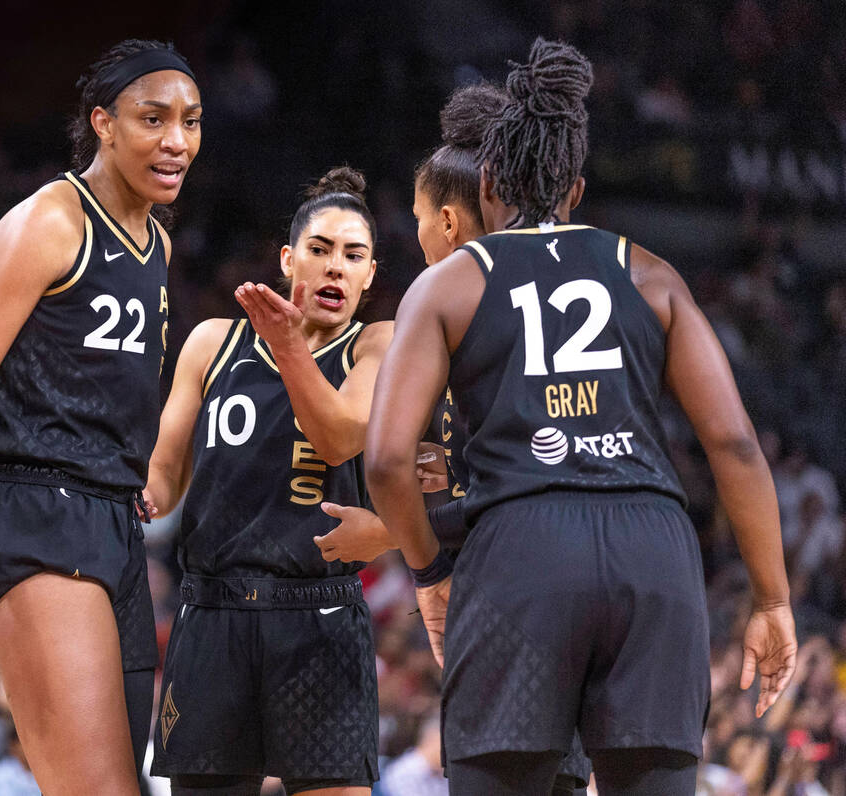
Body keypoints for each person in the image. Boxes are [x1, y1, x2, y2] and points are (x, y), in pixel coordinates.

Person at [366, 39, 796, 795]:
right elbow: (733, 443)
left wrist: (431, 572)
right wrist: (772, 599)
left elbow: (387, 462)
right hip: (653, 550)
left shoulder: (449, 285)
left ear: (489, 181)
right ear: (577, 189)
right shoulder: (652, 272)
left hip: (523, 552)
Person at [0, 39, 201, 794]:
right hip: (37, 511)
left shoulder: (158, 243)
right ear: (103, 123)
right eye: (154, 119)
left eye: (191, 122)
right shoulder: (49, 222)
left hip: (115, 524)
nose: (177, 141)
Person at [313, 85, 592, 796]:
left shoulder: (453, 313)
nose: (415, 236)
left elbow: (437, 473)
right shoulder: (534, 309)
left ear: (447, 221)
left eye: (415, 220)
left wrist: (406, 550)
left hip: (505, 591)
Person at [146, 166, 391, 795]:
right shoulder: (211, 343)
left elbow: (339, 436)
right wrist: (137, 494)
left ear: (369, 275)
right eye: (320, 249)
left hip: (320, 616)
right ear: (289, 260)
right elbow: (166, 472)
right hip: (212, 612)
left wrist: (288, 346)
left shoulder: (376, 344)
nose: (336, 267)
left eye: (353, 255)